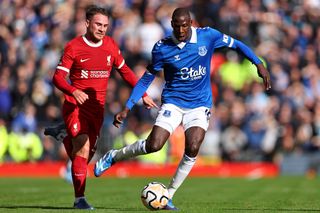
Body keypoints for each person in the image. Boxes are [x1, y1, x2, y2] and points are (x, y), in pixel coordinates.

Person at [94, 7, 271, 210]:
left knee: (193, 147)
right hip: (173, 103)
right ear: (171, 25)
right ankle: (114, 156)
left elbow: (237, 44)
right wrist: (128, 107)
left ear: (191, 24)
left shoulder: (208, 36)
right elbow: (146, 78)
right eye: (177, 26)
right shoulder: (162, 48)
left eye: (184, 25)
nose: (180, 30)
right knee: (154, 145)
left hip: (200, 104)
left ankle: (168, 195)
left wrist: (258, 63)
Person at [48, 5, 155, 210]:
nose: (102, 29)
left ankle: (64, 135)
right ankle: (80, 199)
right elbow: (57, 77)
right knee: (82, 148)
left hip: (97, 108)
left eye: (106, 25)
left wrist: (143, 93)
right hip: (75, 105)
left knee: (86, 154)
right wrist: (72, 91)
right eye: (98, 24)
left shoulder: (111, 45)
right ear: (87, 23)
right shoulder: (74, 47)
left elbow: (126, 72)